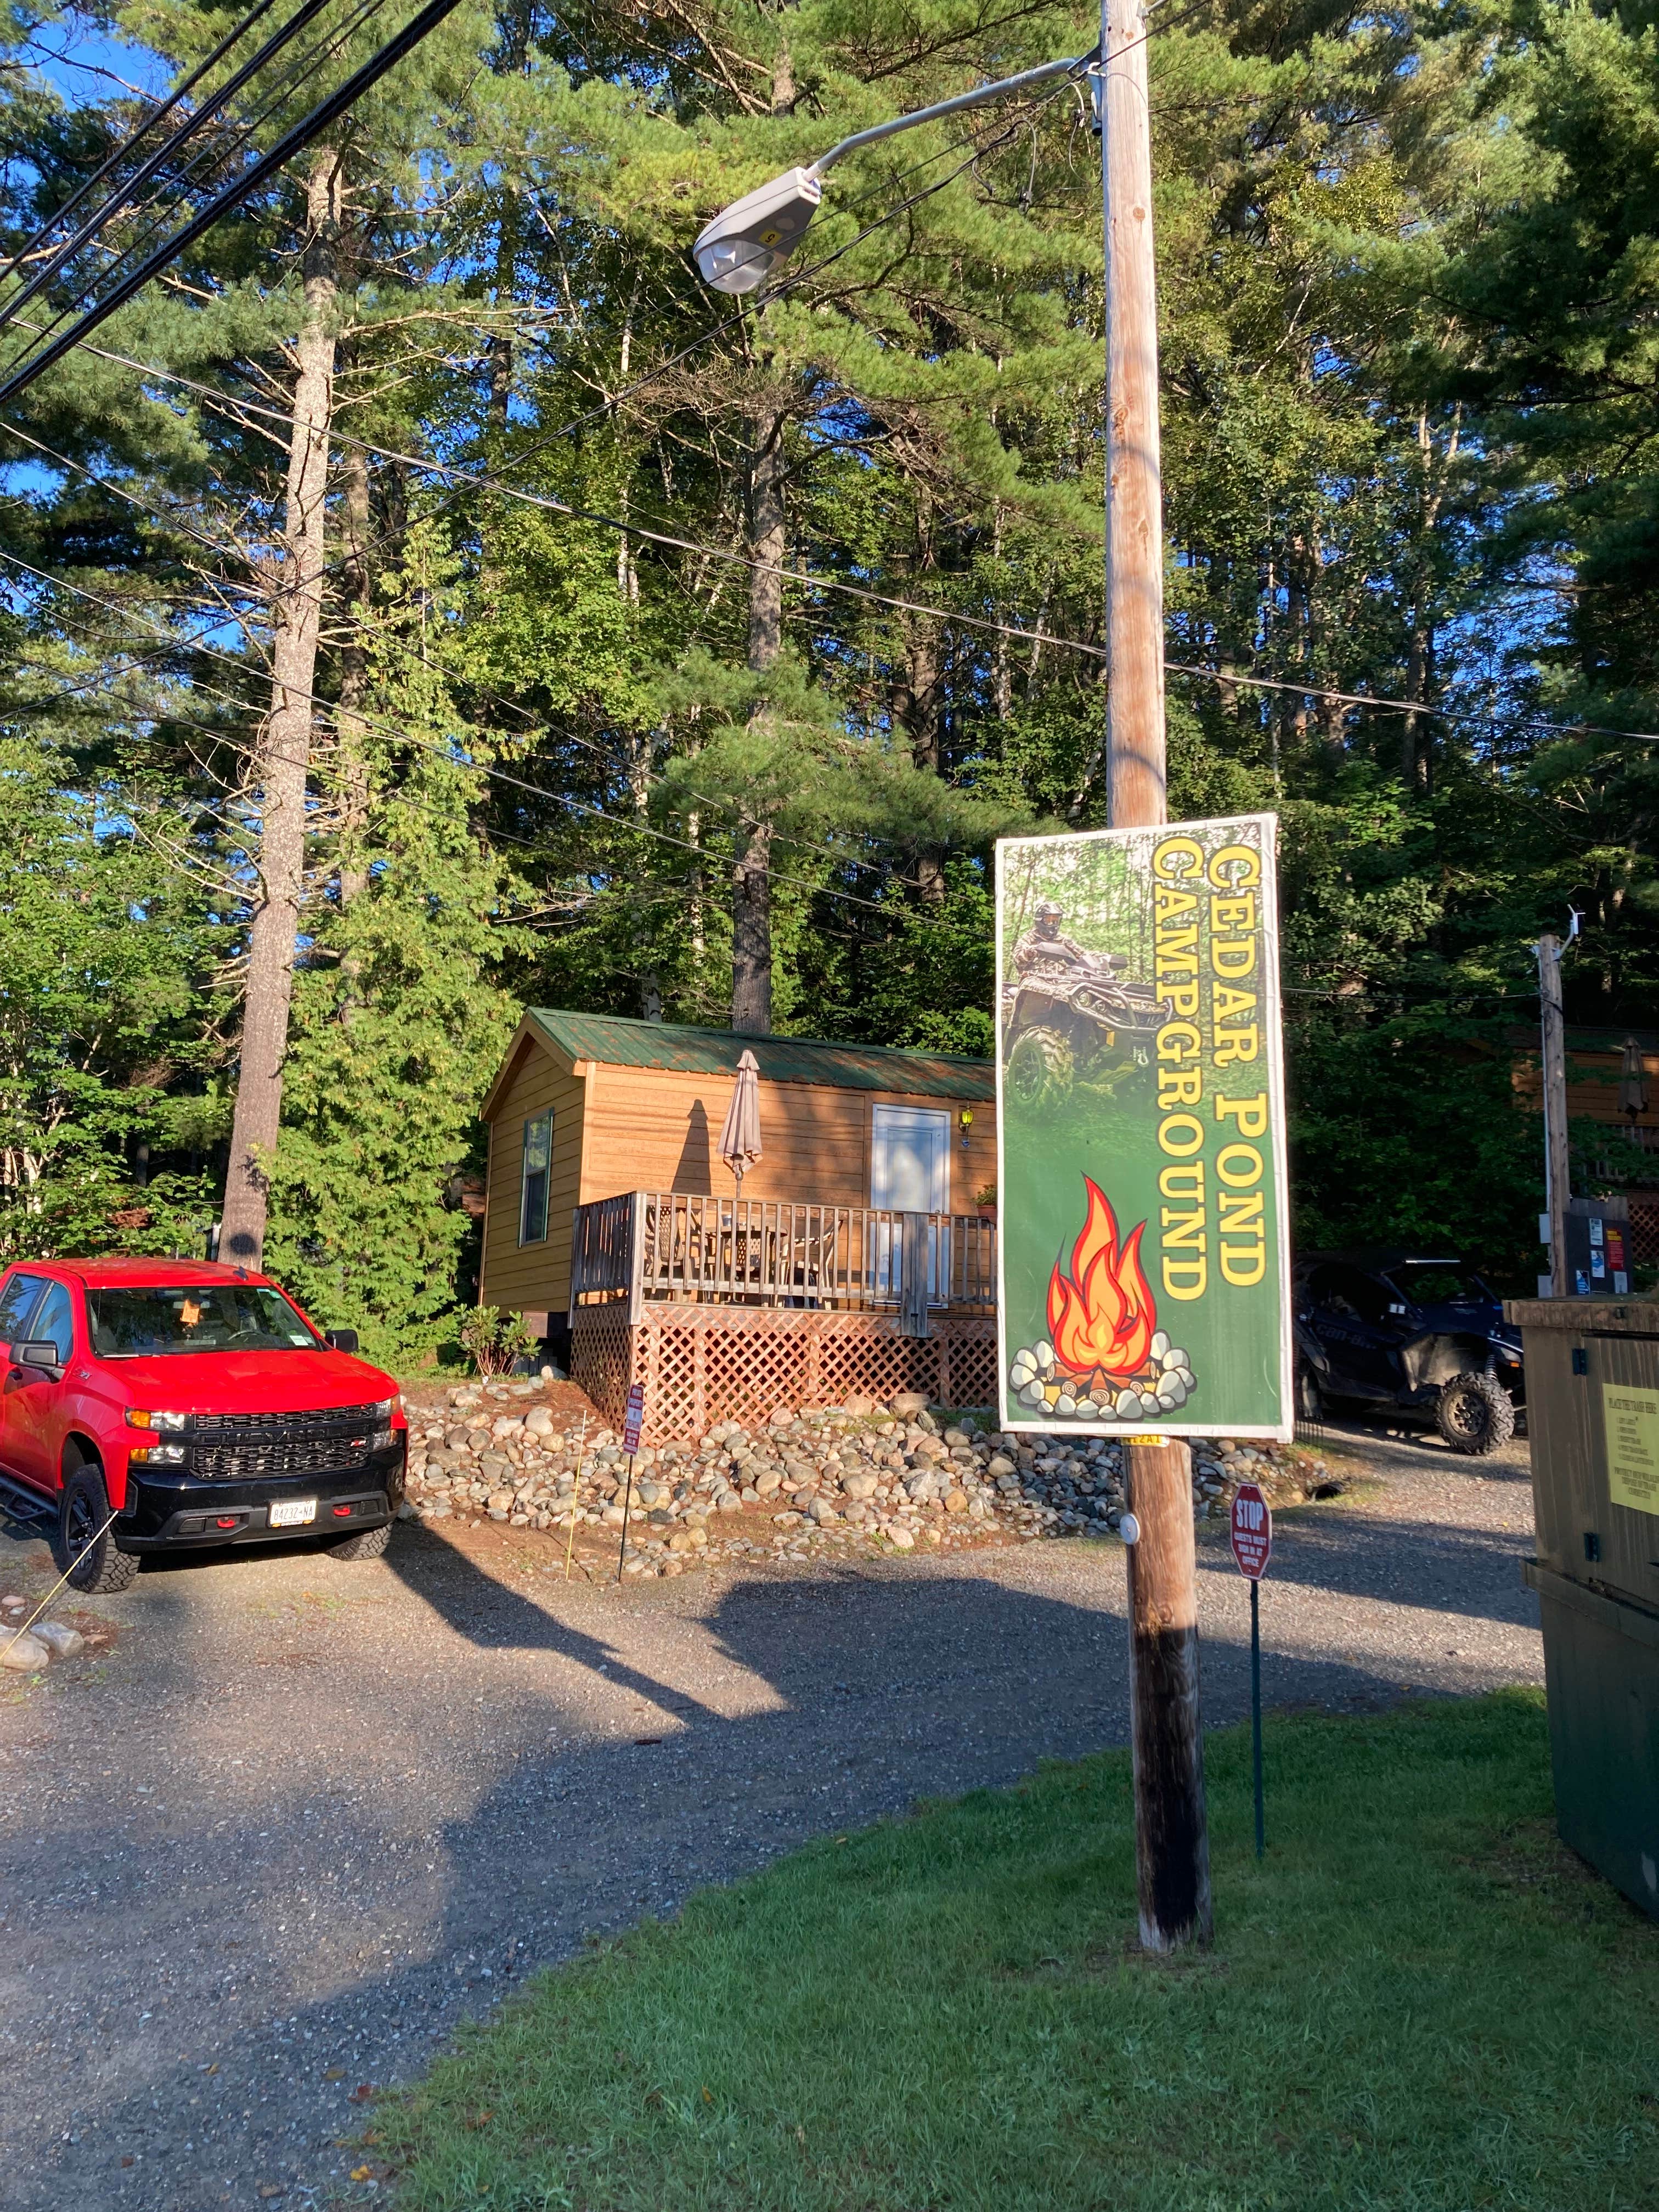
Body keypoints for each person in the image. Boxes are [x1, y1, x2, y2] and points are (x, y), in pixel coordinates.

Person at [1013, 900, 1126, 983]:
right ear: (1040, 920)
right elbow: (1018, 958)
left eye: (1055, 920)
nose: (1053, 924)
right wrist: (1034, 951)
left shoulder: (1062, 940)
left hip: (1060, 985)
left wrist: (1103, 958)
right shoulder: (1029, 938)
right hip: (1033, 985)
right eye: (1049, 920)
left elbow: (1083, 955)